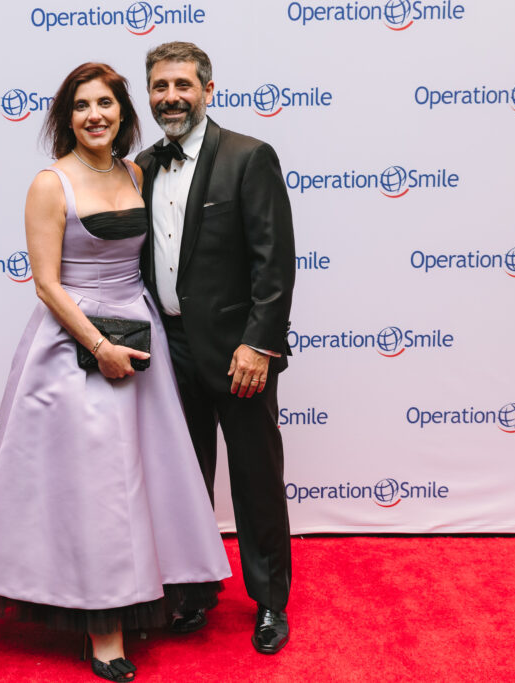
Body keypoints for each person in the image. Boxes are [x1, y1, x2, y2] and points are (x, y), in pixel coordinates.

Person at [0, 62, 230, 681]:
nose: (95, 115)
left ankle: (146, 593)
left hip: (142, 336)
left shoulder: (136, 171)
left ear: (122, 114)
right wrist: (98, 345)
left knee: (142, 478)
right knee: (95, 486)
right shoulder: (51, 184)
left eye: (105, 103)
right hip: (74, 345)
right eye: (82, 106)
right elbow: (47, 285)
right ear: (66, 117)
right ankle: (103, 628)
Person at [135, 42, 296, 655]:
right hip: (168, 350)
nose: (169, 96)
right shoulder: (142, 165)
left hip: (239, 354)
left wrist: (260, 343)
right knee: (183, 478)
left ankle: (270, 602)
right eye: (158, 86)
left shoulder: (248, 157)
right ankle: (194, 594)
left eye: (181, 84)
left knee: (255, 477)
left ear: (208, 89)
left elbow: (273, 262)